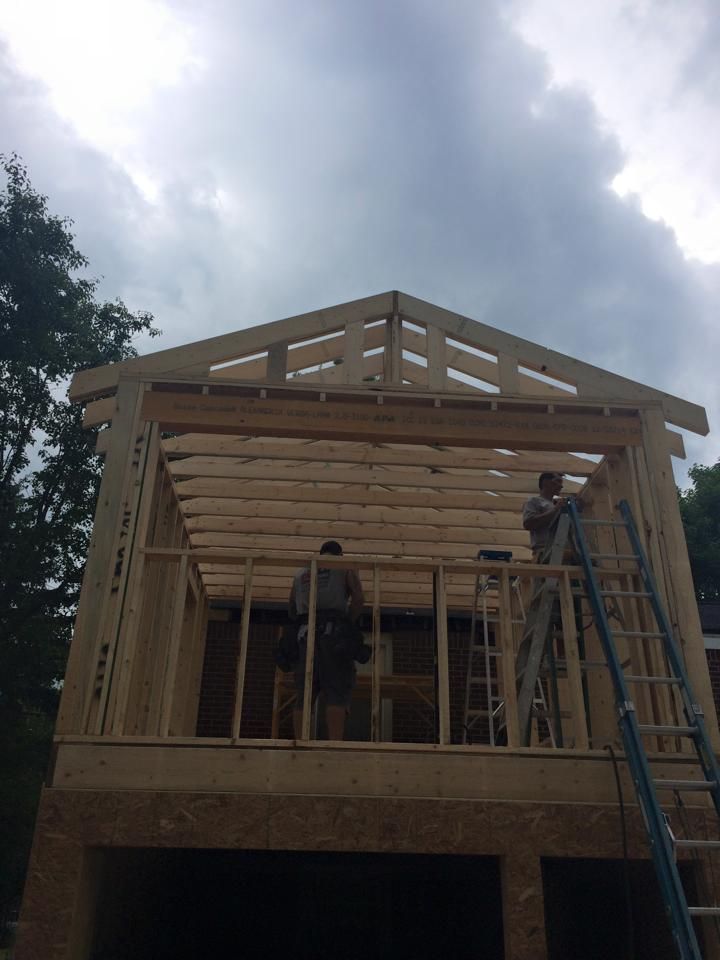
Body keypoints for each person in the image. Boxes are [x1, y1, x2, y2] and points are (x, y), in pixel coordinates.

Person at [288, 540, 365, 741]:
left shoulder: (300, 573)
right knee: (337, 690)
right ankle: (334, 746)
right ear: (339, 554)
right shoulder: (344, 566)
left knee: (304, 692)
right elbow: (358, 598)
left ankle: (300, 742)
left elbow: (292, 610)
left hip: (305, 635)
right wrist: (349, 622)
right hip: (334, 633)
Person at [522, 472, 570, 561]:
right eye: (558, 481)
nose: (561, 486)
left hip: (563, 550)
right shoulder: (534, 501)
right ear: (546, 482)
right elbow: (528, 524)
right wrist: (555, 510)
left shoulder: (556, 504)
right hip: (545, 550)